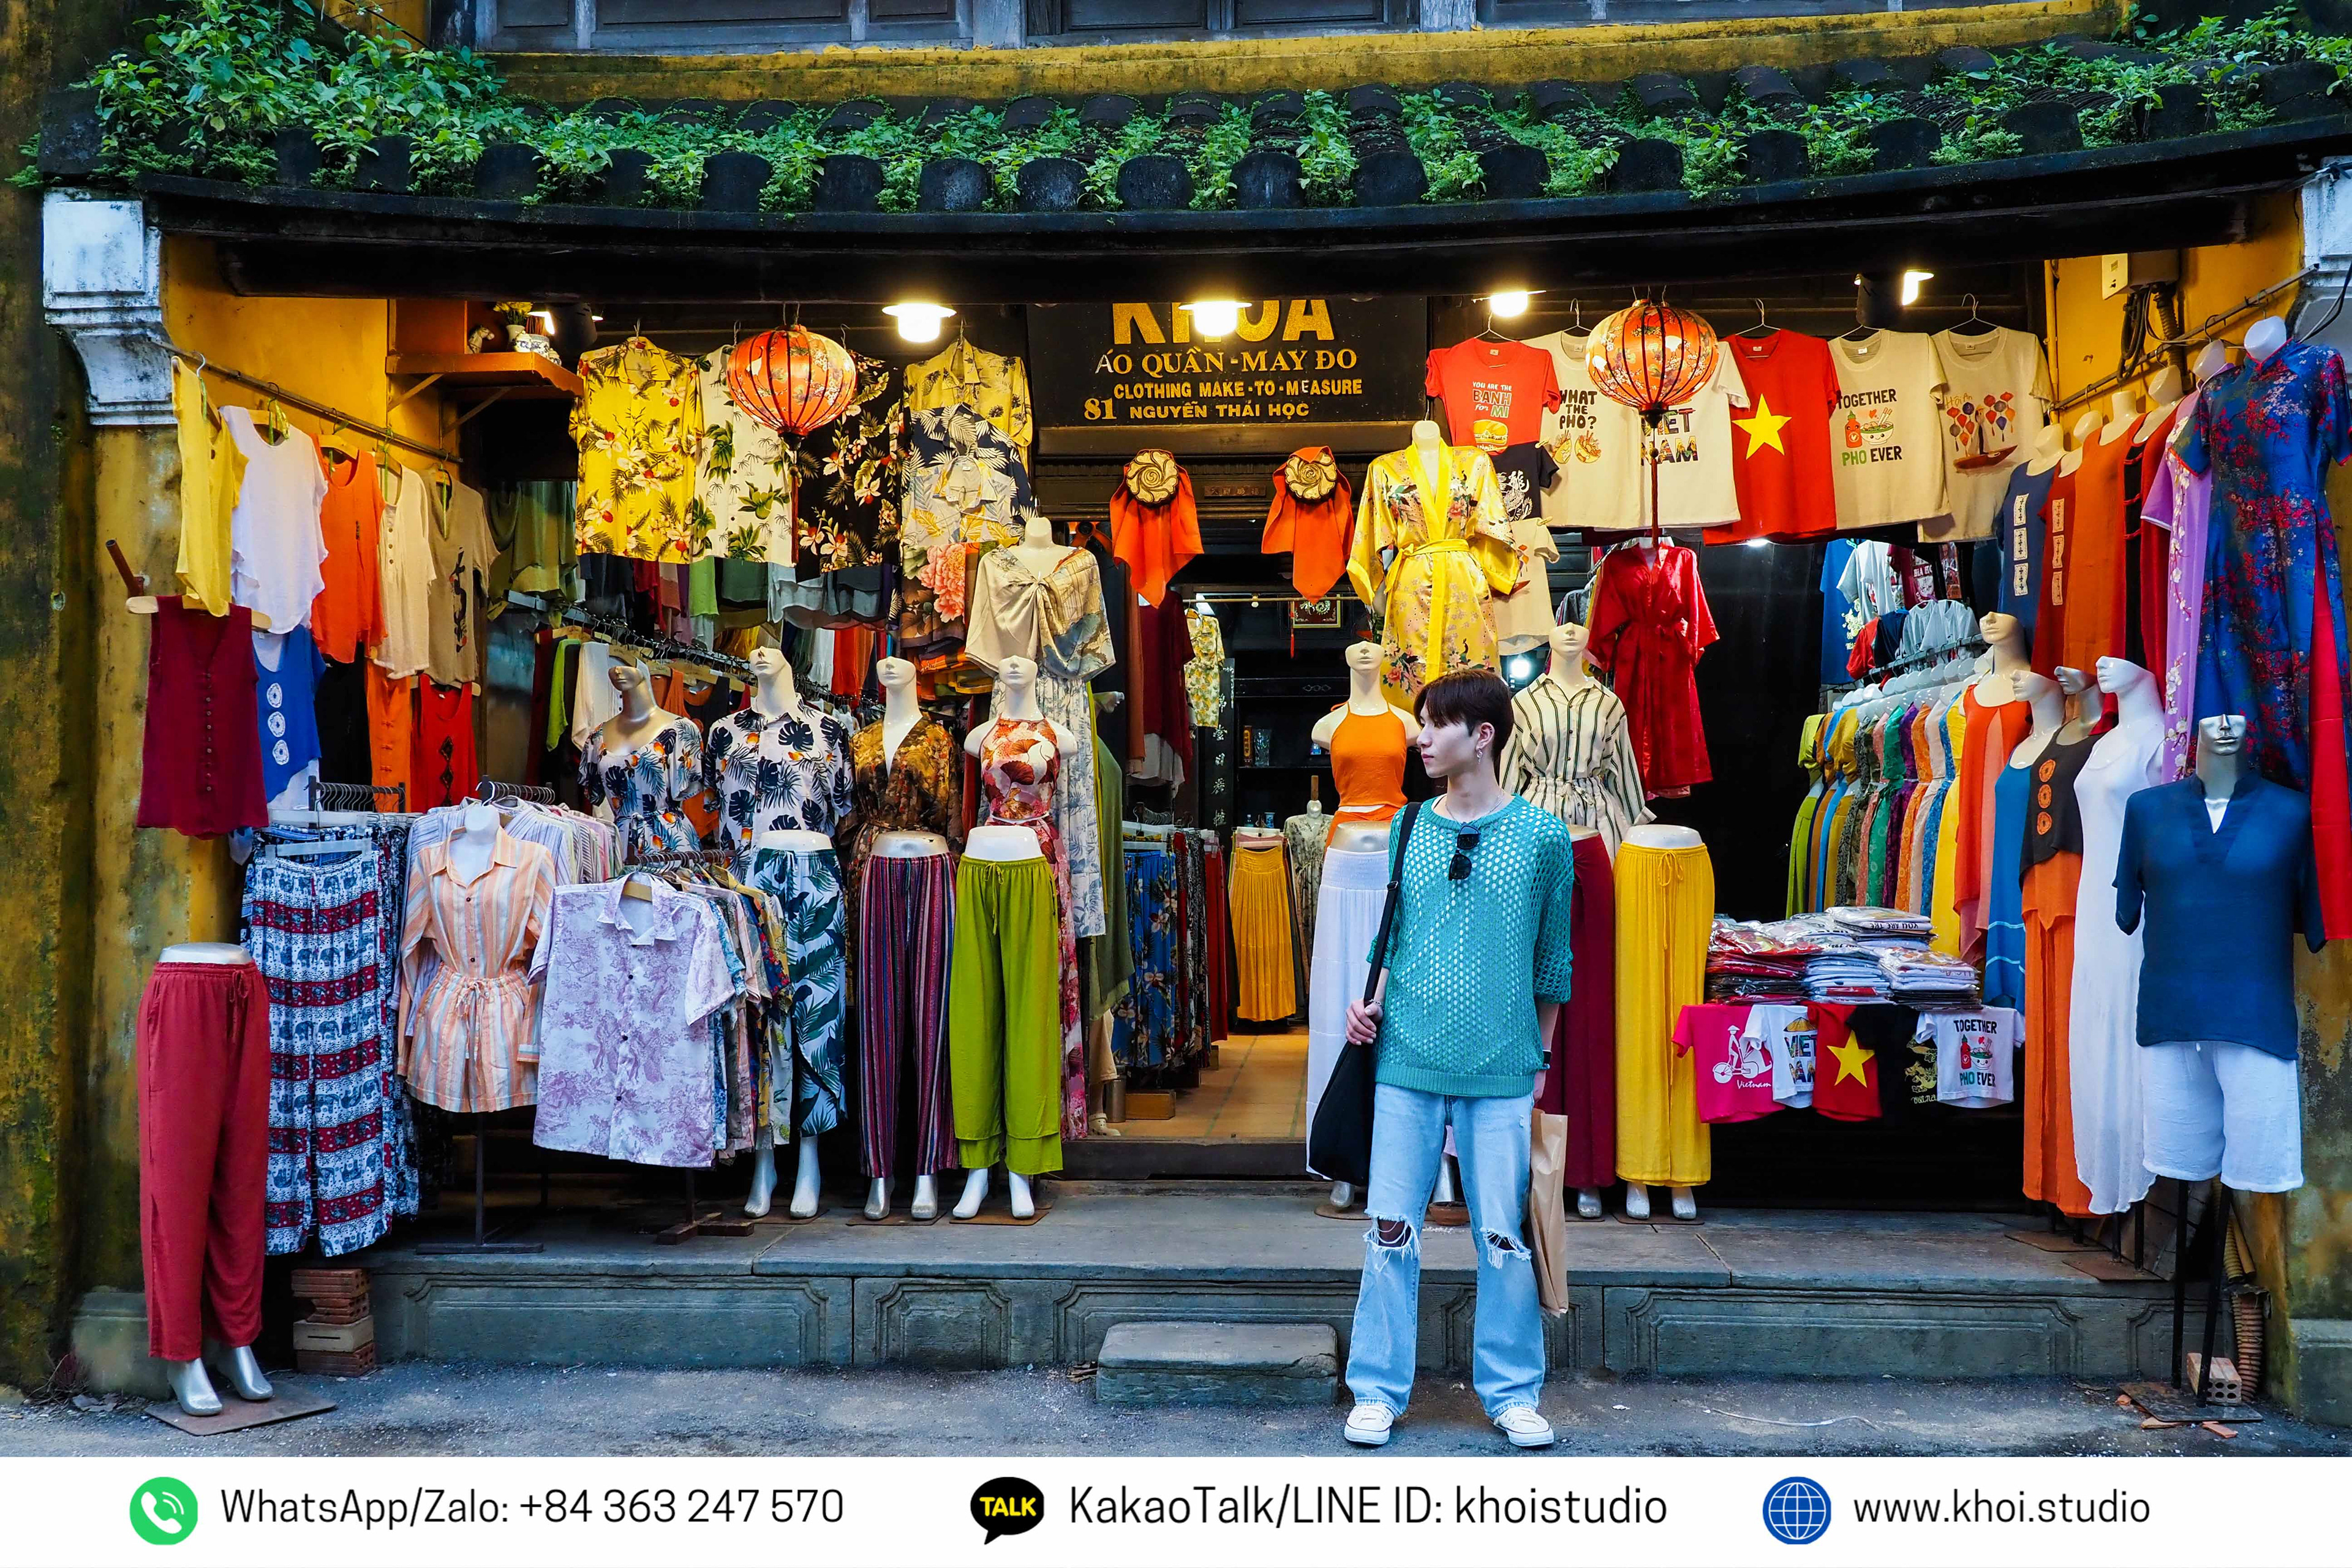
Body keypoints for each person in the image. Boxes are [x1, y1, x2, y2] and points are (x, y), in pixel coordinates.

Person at [1339, 668, 1576, 1449]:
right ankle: (1377, 1389)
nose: (1422, 737)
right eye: (1422, 722)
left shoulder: (1543, 837)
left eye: (1437, 723)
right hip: (1406, 1052)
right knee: (1389, 1229)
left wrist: (1539, 1057)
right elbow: (1392, 936)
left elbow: (1553, 963)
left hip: (1502, 1062)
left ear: (1483, 736)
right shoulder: (1408, 825)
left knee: (1502, 1236)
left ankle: (1512, 1392)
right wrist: (1367, 1003)